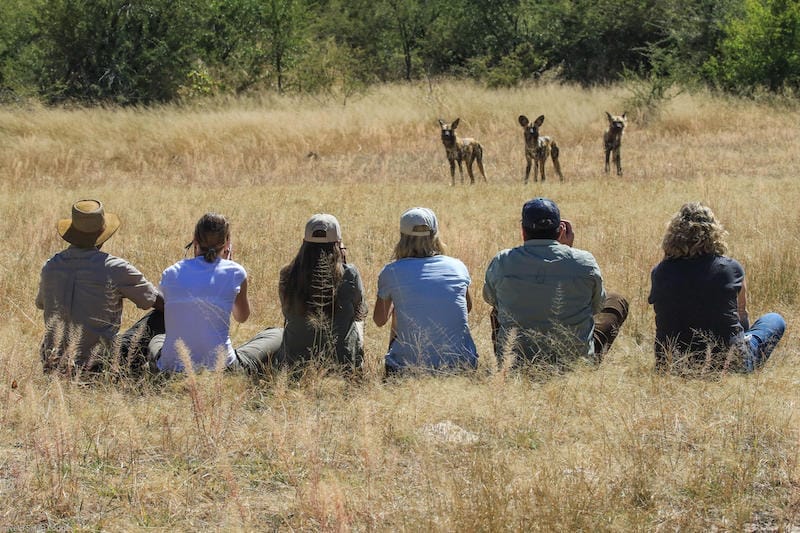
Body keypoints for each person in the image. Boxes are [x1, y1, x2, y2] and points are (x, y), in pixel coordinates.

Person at [483, 197, 628, 369]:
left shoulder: (502, 261)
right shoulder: (584, 261)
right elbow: (596, 306)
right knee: (617, 300)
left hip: (516, 360)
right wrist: (568, 251)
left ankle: (506, 363)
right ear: (560, 231)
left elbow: (490, 298)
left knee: (497, 308)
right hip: (575, 362)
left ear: (523, 230)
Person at [648, 202, 785, 373]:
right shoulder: (731, 269)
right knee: (774, 319)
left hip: (671, 364)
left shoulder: (660, 272)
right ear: (715, 233)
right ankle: (744, 364)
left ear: (673, 235)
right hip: (727, 363)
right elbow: (741, 314)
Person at [36, 199, 164, 374]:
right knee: (160, 317)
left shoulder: (51, 266)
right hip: (98, 363)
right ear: (102, 233)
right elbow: (159, 302)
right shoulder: (115, 267)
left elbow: (42, 304)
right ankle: (167, 365)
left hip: (53, 362)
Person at [149, 213, 281, 374]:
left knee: (157, 339)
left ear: (195, 240)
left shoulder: (170, 272)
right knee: (276, 334)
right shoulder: (235, 272)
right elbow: (242, 317)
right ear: (227, 243)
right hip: (222, 367)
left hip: (172, 368)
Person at [373, 207, 478, 374]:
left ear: (402, 237)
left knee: (398, 311)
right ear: (435, 235)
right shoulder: (457, 266)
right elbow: (468, 307)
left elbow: (379, 320)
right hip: (461, 365)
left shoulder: (391, 271)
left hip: (407, 369)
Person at [273, 214, 367, 373]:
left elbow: (287, 314)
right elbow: (360, 311)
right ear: (338, 244)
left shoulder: (287, 274)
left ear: (304, 243)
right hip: (342, 365)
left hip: (295, 366)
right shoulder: (349, 273)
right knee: (359, 324)